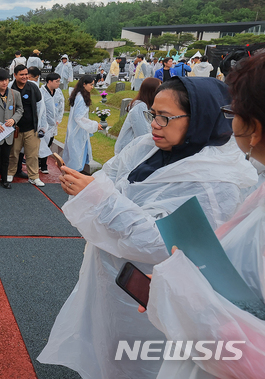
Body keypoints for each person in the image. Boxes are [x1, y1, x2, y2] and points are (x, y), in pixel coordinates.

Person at [38, 76, 258, 378]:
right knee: (107, 344)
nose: (155, 124)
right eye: (152, 114)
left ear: (199, 120)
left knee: (141, 362)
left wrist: (98, 198)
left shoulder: (217, 183)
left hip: (152, 294)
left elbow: (163, 241)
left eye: (165, 117)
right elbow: (112, 174)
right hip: (116, 274)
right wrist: (88, 188)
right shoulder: (148, 147)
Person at [141, 51, 265, 379]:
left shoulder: (221, 181)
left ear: (254, 128)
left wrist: (187, 291)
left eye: (234, 112)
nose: (156, 125)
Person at [8, 65, 45, 187]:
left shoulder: (33, 87)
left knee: (32, 154)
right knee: (13, 153)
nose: (24, 77)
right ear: (15, 75)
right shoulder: (10, 88)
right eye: (21, 74)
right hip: (15, 128)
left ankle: (33, 176)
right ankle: (10, 173)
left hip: (31, 128)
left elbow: (40, 107)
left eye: (26, 74)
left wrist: (41, 126)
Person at [62, 75, 102, 172]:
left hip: (77, 131)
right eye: (91, 85)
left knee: (76, 157)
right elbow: (78, 117)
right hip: (77, 132)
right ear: (84, 84)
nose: (92, 87)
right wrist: (94, 125)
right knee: (76, 159)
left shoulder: (78, 95)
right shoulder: (81, 98)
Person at [114, 77, 161, 154]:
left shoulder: (146, 106)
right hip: (130, 152)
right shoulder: (140, 107)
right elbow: (143, 134)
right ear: (151, 91)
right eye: (159, 89)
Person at [38, 73, 64, 174]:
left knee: (48, 144)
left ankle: (42, 163)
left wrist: (59, 119)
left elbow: (61, 106)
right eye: (56, 81)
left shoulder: (58, 92)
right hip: (43, 124)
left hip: (53, 124)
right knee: (41, 144)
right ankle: (42, 164)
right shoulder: (41, 92)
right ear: (49, 81)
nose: (58, 83)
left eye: (59, 81)